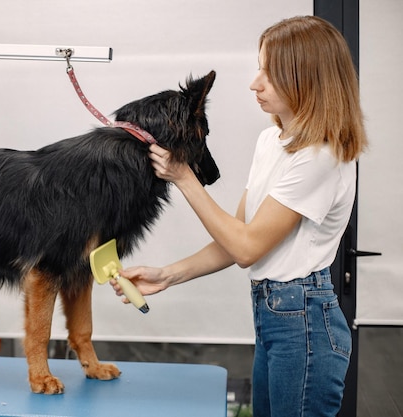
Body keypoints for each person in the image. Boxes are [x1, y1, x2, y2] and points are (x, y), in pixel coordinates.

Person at [110, 15, 367, 417]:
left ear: (307, 79)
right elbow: (238, 236)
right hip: (273, 314)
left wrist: (182, 175)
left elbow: (247, 248)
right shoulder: (272, 141)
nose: (255, 83)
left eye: (270, 72)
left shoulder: (321, 156)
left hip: (304, 324)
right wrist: (168, 274)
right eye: (259, 68)